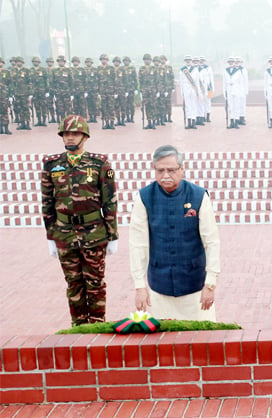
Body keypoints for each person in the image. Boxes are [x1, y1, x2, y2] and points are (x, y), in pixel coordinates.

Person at [41, 115, 118, 326]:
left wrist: (113, 235)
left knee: (94, 283)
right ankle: (78, 327)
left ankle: (97, 324)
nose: (70, 138)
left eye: (75, 134)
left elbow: (109, 201)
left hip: (94, 232)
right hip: (64, 233)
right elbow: (47, 203)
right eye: (66, 134)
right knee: (73, 283)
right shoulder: (51, 165)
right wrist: (50, 237)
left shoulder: (99, 163)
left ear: (85, 136)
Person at [129, 145, 220, 321]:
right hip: (159, 287)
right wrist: (140, 286)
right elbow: (137, 244)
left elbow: (212, 241)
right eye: (160, 170)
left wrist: (210, 283)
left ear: (182, 169)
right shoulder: (144, 197)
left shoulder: (199, 196)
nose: (165, 175)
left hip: (195, 286)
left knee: (201, 342)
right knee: (163, 344)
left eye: (171, 170)